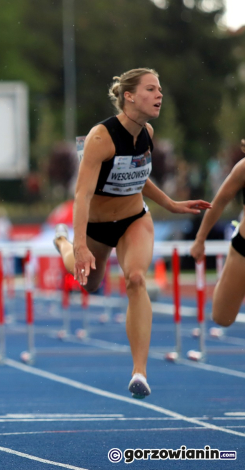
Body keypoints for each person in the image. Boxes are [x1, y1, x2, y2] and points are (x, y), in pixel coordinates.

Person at [53, 68, 209, 399]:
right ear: (129, 96)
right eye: (151, 89)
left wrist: (171, 203)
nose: (159, 95)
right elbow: (81, 194)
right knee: (89, 283)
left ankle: (139, 372)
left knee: (136, 279)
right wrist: (79, 244)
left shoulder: (148, 132)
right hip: (96, 225)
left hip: (134, 218)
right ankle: (62, 242)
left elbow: (139, 176)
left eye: (160, 90)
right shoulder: (100, 137)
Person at [190, 143, 245, 326]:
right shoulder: (243, 168)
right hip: (243, 248)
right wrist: (200, 239)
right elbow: (218, 203)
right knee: (222, 317)